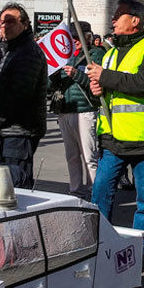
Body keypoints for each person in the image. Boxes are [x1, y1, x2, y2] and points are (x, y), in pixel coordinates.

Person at [89, 0, 144, 269]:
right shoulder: (110, 53)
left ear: (135, 20)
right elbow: (111, 89)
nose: (113, 20)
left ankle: (141, 250)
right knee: (100, 192)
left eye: (117, 15)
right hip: (114, 137)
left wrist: (105, 78)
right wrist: (98, 89)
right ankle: (98, 243)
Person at [0, 3, 49, 188]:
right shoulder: (13, 49)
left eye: (11, 21)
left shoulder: (27, 51)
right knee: (9, 183)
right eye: (2, 22)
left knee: (15, 186)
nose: (5, 25)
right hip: (11, 130)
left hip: (19, 130)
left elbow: (20, 95)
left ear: (25, 24)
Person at [50, 22, 105, 199]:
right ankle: (75, 189)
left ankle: (94, 191)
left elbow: (97, 86)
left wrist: (77, 75)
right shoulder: (63, 57)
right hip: (65, 109)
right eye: (72, 38)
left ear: (88, 37)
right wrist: (53, 75)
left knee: (89, 156)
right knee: (71, 155)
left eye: (78, 37)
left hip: (85, 110)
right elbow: (51, 86)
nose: (76, 41)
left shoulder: (95, 55)